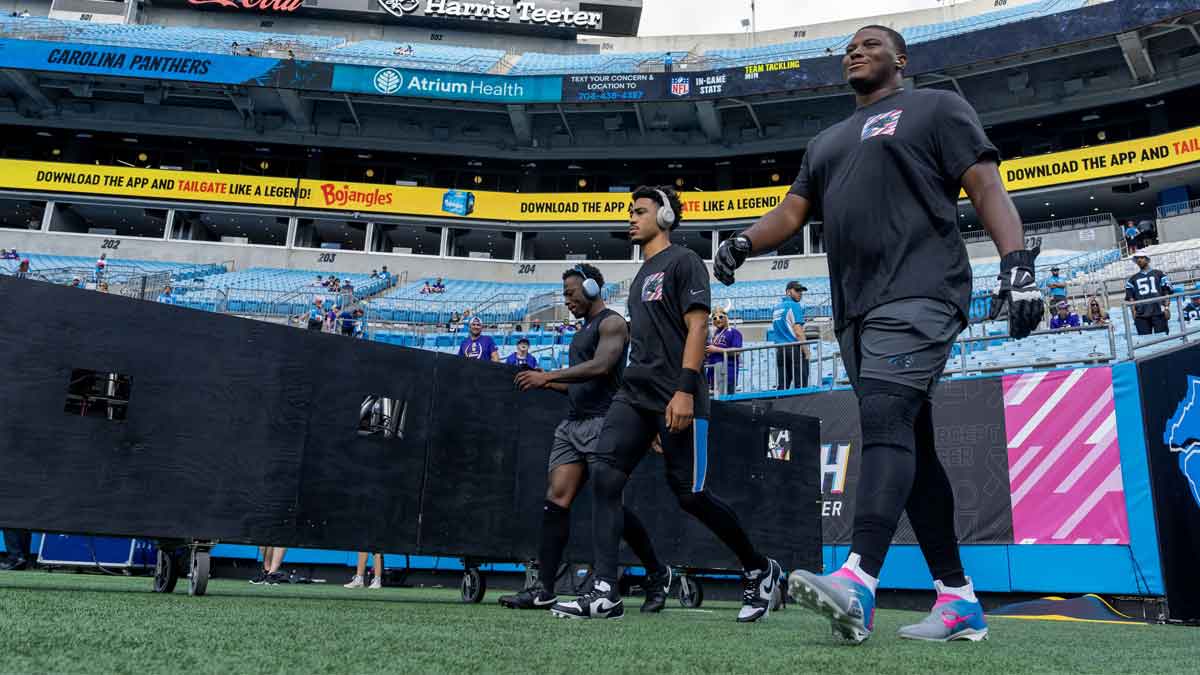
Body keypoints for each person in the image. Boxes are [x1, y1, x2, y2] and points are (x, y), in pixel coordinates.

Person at [714, 25, 1045, 643]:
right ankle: (959, 598)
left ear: (901, 58)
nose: (854, 51)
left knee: (887, 420)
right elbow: (793, 211)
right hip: (856, 309)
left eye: (869, 44)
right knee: (912, 444)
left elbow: (984, 184)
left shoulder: (936, 106)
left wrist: (1017, 263)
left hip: (923, 289)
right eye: (848, 48)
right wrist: (742, 241)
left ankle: (858, 581)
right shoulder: (827, 140)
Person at [550, 186, 781, 622]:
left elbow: (697, 330)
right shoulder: (639, 276)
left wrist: (684, 391)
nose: (630, 218)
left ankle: (759, 569)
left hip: (677, 393)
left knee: (690, 496)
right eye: (630, 212)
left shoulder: (685, 261)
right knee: (603, 474)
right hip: (635, 394)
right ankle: (604, 590)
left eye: (640, 211)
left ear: (667, 216)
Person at [502, 264, 672, 614]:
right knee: (556, 500)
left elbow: (602, 366)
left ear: (592, 288)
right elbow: (581, 381)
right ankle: (544, 589)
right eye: (564, 294)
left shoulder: (612, 323)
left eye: (571, 292)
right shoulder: (582, 330)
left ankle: (657, 572)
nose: (567, 300)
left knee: (610, 504)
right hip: (573, 424)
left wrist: (547, 374)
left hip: (605, 422)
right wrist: (550, 382)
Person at [769, 281, 809, 390]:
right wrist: (807, 351)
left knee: (783, 385)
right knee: (800, 385)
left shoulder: (776, 308)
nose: (800, 293)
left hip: (780, 350)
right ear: (788, 292)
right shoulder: (794, 305)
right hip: (794, 348)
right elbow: (798, 331)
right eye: (797, 290)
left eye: (801, 291)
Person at [1125, 254, 1172, 336]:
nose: (1139, 260)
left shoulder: (1159, 274)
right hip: (1141, 314)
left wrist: (1167, 308)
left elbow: (1166, 292)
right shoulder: (1132, 279)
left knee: (1163, 339)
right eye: (1137, 258)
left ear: (1147, 259)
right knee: (1145, 342)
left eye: (1142, 257)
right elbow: (1130, 297)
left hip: (1158, 312)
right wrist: (1133, 313)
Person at [705, 306, 743, 395]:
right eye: (714, 318)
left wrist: (716, 349)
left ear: (726, 317)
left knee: (725, 402)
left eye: (721, 317)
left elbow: (737, 351)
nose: (718, 320)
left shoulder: (734, 332)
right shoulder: (715, 335)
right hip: (714, 375)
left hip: (727, 373)